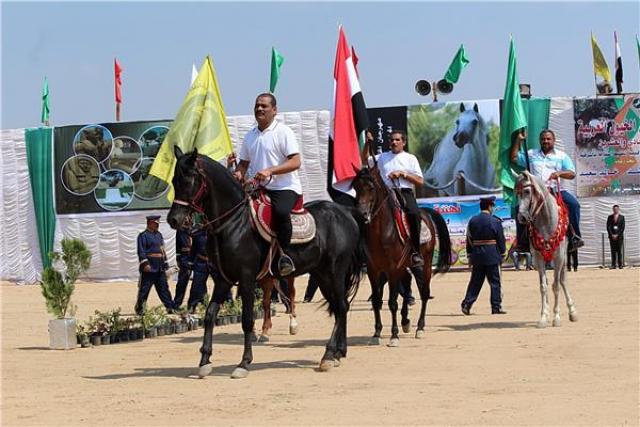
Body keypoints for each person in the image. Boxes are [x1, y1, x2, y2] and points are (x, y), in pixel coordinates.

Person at [231, 93, 302, 276]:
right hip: (258, 188)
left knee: (280, 212)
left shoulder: (283, 132)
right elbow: (243, 164)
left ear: (275, 110)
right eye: (257, 106)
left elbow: (295, 162)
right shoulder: (250, 135)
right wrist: (237, 173)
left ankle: (284, 256)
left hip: (284, 187)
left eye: (264, 106)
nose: (259, 109)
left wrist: (271, 170)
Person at [510, 129, 583, 250]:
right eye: (543, 139)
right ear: (540, 140)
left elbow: (572, 173)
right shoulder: (531, 154)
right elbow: (514, 158)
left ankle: (575, 236)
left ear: (553, 140)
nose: (546, 141)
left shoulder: (561, 156)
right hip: (536, 192)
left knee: (574, 205)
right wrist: (518, 140)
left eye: (548, 139)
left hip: (554, 190)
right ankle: (522, 243)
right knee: (520, 208)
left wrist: (559, 173)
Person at [363, 130, 425, 267]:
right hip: (385, 194)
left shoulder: (410, 158)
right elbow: (365, 158)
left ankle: (416, 251)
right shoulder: (382, 157)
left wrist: (403, 174)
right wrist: (368, 144)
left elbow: (420, 181)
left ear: (404, 142)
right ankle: (366, 252)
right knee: (366, 214)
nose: (394, 142)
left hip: (404, 192)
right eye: (392, 140)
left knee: (414, 213)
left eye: (397, 140)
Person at [461, 196, 507, 315]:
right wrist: (502, 252)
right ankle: (496, 307)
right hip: (492, 254)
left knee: (475, 281)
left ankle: (467, 303)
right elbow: (500, 238)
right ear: (490, 206)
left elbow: (469, 239)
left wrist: (470, 254)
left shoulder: (473, 220)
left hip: (477, 254)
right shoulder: (495, 221)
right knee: (495, 282)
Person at [135, 215, 175, 315]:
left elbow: (162, 251)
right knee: (144, 290)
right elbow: (141, 251)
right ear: (150, 223)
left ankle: (169, 307)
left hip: (160, 267)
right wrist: (145, 264)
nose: (157, 226)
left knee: (164, 289)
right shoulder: (143, 236)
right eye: (155, 224)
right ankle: (140, 309)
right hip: (149, 267)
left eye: (158, 224)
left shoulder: (159, 235)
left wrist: (166, 265)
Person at [173, 217, 193, 309]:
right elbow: (177, 246)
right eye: (185, 219)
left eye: (189, 218)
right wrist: (178, 260)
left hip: (196, 257)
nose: (187, 220)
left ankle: (196, 303)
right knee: (182, 282)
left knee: (199, 282)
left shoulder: (194, 230)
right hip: (184, 257)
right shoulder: (180, 231)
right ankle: (177, 304)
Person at [607, 204, 625, 269]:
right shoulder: (610, 217)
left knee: (619, 251)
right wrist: (612, 234)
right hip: (612, 237)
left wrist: (617, 235)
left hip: (619, 237)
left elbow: (622, 228)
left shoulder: (622, 217)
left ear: (618, 209)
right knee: (613, 251)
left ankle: (620, 264)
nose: (615, 210)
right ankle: (613, 265)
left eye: (616, 209)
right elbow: (608, 227)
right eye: (614, 209)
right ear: (613, 209)